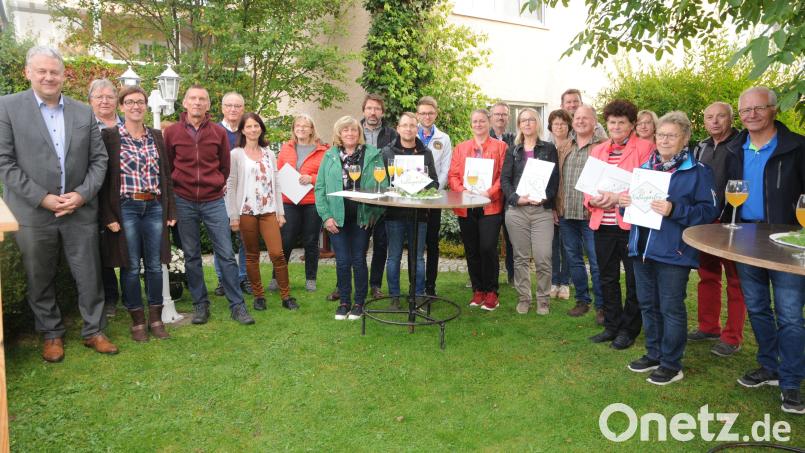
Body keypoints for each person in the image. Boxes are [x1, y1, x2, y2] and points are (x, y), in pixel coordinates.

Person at [0, 46, 117, 361]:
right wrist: (44, 198)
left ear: (64, 76)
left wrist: (81, 195)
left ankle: (94, 331)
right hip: (34, 212)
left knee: (89, 273)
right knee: (39, 275)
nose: (49, 77)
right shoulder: (7, 108)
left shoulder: (82, 112)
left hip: (79, 209)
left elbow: (99, 161)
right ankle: (51, 333)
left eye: (54, 71)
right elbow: (4, 163)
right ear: (28, 73)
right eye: (42, 71)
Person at [621, 111, 717, 385]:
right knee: (648, 304)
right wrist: (624, 203)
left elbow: (708, 212)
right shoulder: (645, 168)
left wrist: (675, 209)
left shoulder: (698, 172)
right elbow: (632, 207)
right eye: (660, 134)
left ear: (684, 138)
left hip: (673, 252)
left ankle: (672, 364)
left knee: (671, 308)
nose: (664, 139)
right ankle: (654, 353)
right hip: (640, 248)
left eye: (671, 135)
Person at [726, 87, 805, 414]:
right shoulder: (734, 149)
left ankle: (791, 381)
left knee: (789, 314)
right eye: (745, 110)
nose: (751, 115)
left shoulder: (797, 147)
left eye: (759, 108)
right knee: (757, 307)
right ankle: (768, 365)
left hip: (787, 239)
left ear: (774, 110)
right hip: (745, 235)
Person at [163, 85, 255, 325]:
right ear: (184, 103)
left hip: (213, 200)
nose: (197, 103)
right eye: (193, 98)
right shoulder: (171, 133)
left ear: (208, 105)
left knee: (225, 253)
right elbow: (168, 168)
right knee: (192, 255)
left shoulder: (218, 132)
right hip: (183, 201)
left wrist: (213, 185)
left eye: (202, 99)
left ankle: (238, 305)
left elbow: (225, 167)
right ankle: (200, 304)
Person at [99, 85, 176, 342]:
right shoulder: (110, 137)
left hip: (153, 206)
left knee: (154, 266)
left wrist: (170, 208)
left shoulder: (156, 136)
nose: (136, 106)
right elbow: (103, 179)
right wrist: (108, 216)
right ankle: (137, 323)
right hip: (126, 208)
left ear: (145, 106)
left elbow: (165, 174)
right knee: (130, 267)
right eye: (130, 102)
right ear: (122, 106)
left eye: (140, 102)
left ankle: (155, 319)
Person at [586, 100, 653, 350]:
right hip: (601, 223)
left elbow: (646, 186)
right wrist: (592, 199)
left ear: (632, 124)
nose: (615, 126)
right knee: (607, 277)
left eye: (621, 122)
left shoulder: (646, 148)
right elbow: (588, 188)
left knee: (634, 280)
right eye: (612, 122)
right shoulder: (598, 150)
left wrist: (617, 198)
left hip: (631, 224)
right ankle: (612, 325)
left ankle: (629, 329)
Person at [688, 101, 745, 358]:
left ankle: (732, 336)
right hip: (705, 222)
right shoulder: (700, 147)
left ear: (731, 119)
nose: (715, 122)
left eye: (720, 117)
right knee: (707, 275)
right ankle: (708, 326)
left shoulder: (741, 146)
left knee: (735, 281)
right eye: (709, 117)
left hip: (732, 222)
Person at [316, 116, 387, 320]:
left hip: (362, 216)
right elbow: (320, 188)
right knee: (343, 261)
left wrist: (374, 213)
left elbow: (383, 186)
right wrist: (326, 217)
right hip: (337, 217)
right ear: (339, 133)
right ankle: (344, 301)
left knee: (358, 259)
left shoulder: (372, 155)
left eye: (353, 130)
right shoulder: (329, 156)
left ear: (359, 133)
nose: (350, 133)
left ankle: (359, 302)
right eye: (345, 130)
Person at [226, 113, 298, 311]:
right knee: (251, 255)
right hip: (246, 211)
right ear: (242, 130)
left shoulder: (269, 153)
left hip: (268, 211)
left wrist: (280, 212)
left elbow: (276, 182)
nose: (253, 130)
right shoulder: (236, 154)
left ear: (261, 128)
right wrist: (233, 215)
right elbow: (231, 185)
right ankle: (259, 296)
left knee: (277, 253)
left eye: (256, 126)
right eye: (248, 126)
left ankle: (286, 296)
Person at [501, 108, 559, 314]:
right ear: (519, 125)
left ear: (537, 123)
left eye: (531, 120)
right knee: (520, 258)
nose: (527, 123)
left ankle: (543, 299)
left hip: (541, 210)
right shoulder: (513, 150)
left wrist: (546, 197)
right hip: (517, 212)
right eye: (523, 120)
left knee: (544, 257)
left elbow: (554, 181)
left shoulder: (549, 149)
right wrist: (517, 198)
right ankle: (524, 298)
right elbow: (505, 181)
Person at [448, 109, 507, 311]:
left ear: (489, 123)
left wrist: (488, 192)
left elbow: (503, 176)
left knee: (488, 248)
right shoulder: (461, 148)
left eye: (482, 120)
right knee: (472, 250)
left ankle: (492, 292)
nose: (479, 124)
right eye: (475, 121)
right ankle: (478, 290)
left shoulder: (501, 147)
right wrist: (463, 192)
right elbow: (453, 176)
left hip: (490, 205)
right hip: (467, 206)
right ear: (471, 124)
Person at [382, 112, 438, 308]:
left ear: (417, 129)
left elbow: (435, 184)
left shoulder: (426, 153)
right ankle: (394, 296)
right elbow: (381, 183)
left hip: (419, 214)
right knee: (394, 256)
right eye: (404, 125)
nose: (408, 129)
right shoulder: (387, 152)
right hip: (394, 214)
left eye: (412, 126)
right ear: (398, 128)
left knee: (418, 258)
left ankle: (418, 294)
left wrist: (422, 186)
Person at [555, 104, 605, 320]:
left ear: (594, 122)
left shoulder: (603, 146)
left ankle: (602, 306)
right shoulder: (565, 146)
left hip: (592, 214)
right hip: (567, 213)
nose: (580, 121)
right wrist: (555, 207)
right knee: (574, 259)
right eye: (577, 118)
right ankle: (582, 300)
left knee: (596, 261)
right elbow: (557, 179)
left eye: (586, 118)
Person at [275, 114, 328, 292]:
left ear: (312, 129)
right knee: (286, 239)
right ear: (294, 128)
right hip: (289, 201)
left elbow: (326, 176)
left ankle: (311, 278)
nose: (301, 129)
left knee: (311, 241)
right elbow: (278, 173)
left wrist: (311, 178)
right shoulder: (286, 148)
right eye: (298, 126)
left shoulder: (323, 150)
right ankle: (278, 277)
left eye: (305, 126)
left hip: (312, 201)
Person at [88, 78, 122, 318]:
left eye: (109, 96)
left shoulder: (127, 125)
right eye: (99, 96)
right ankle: (110, 297)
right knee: (102, 248)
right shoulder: (85, 125)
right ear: (90, 101)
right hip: (96, 193)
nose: (104, 101)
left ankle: (134, 294)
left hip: (125, 193)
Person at [213, 92, 250, 297]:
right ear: (222, 108)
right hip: (220, 193)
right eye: (229, 105)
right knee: (222, 239)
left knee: (245, 238)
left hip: (245, 194)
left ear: (243, 109)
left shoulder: (248, 131)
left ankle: (243, 277)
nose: (233, 109)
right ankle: (223, 279)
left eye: (238, 106)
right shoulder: (213, 131)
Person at [416, 96, 452, 296]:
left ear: (436, 114)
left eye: (430, 113)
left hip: (434, 198)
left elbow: (446, 168)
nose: (427, 116)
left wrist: (434, 192)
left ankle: (431, 286)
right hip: (412, 199)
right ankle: (416, 286)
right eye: (422, 113)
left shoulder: (444, 138)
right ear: (417, 115)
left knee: (432, 243)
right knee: (415, 244)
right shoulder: (410, 134)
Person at [546, 109, 572, 301]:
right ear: (550, 127)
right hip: (551, 202)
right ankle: (554, 281)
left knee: (568, 245)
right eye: (556, 124)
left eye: (563, 123)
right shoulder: (546, 148)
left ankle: (565, 283)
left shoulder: (574, 147)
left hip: (570, 202)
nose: (559, 127)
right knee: (552, 245)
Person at [489, 101, 515, 285]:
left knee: (511, 238)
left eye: (504, 114)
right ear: (491, 117)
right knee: (487, 239)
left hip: (508, 196)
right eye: (497, 114)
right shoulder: (481, 137)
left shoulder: (515, 139)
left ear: (508, 118)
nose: (500, 117)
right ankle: (485, 274)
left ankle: (512, 276)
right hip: (487, 195)